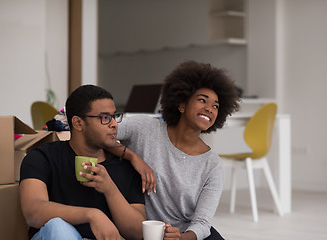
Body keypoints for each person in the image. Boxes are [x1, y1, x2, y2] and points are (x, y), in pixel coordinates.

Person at [116, 60, 240, 240]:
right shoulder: (143, 128)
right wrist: (132, 156)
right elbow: (103, 131)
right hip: (143, 230)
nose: (209, 109)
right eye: (202, 100)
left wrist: (181, 237)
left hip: (185, 235)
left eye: (215, 106)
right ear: (181, 105)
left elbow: (203, 223)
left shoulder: (212, 164)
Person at [19, 85, 145, 240]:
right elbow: (33, 212)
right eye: (104, 118)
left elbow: (138, 233)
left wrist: (110, 189)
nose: (114, 124)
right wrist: (92, 215)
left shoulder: (125, 166)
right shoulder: (43, 157)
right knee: (57, 226)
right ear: (78, 123)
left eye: (114, 116)